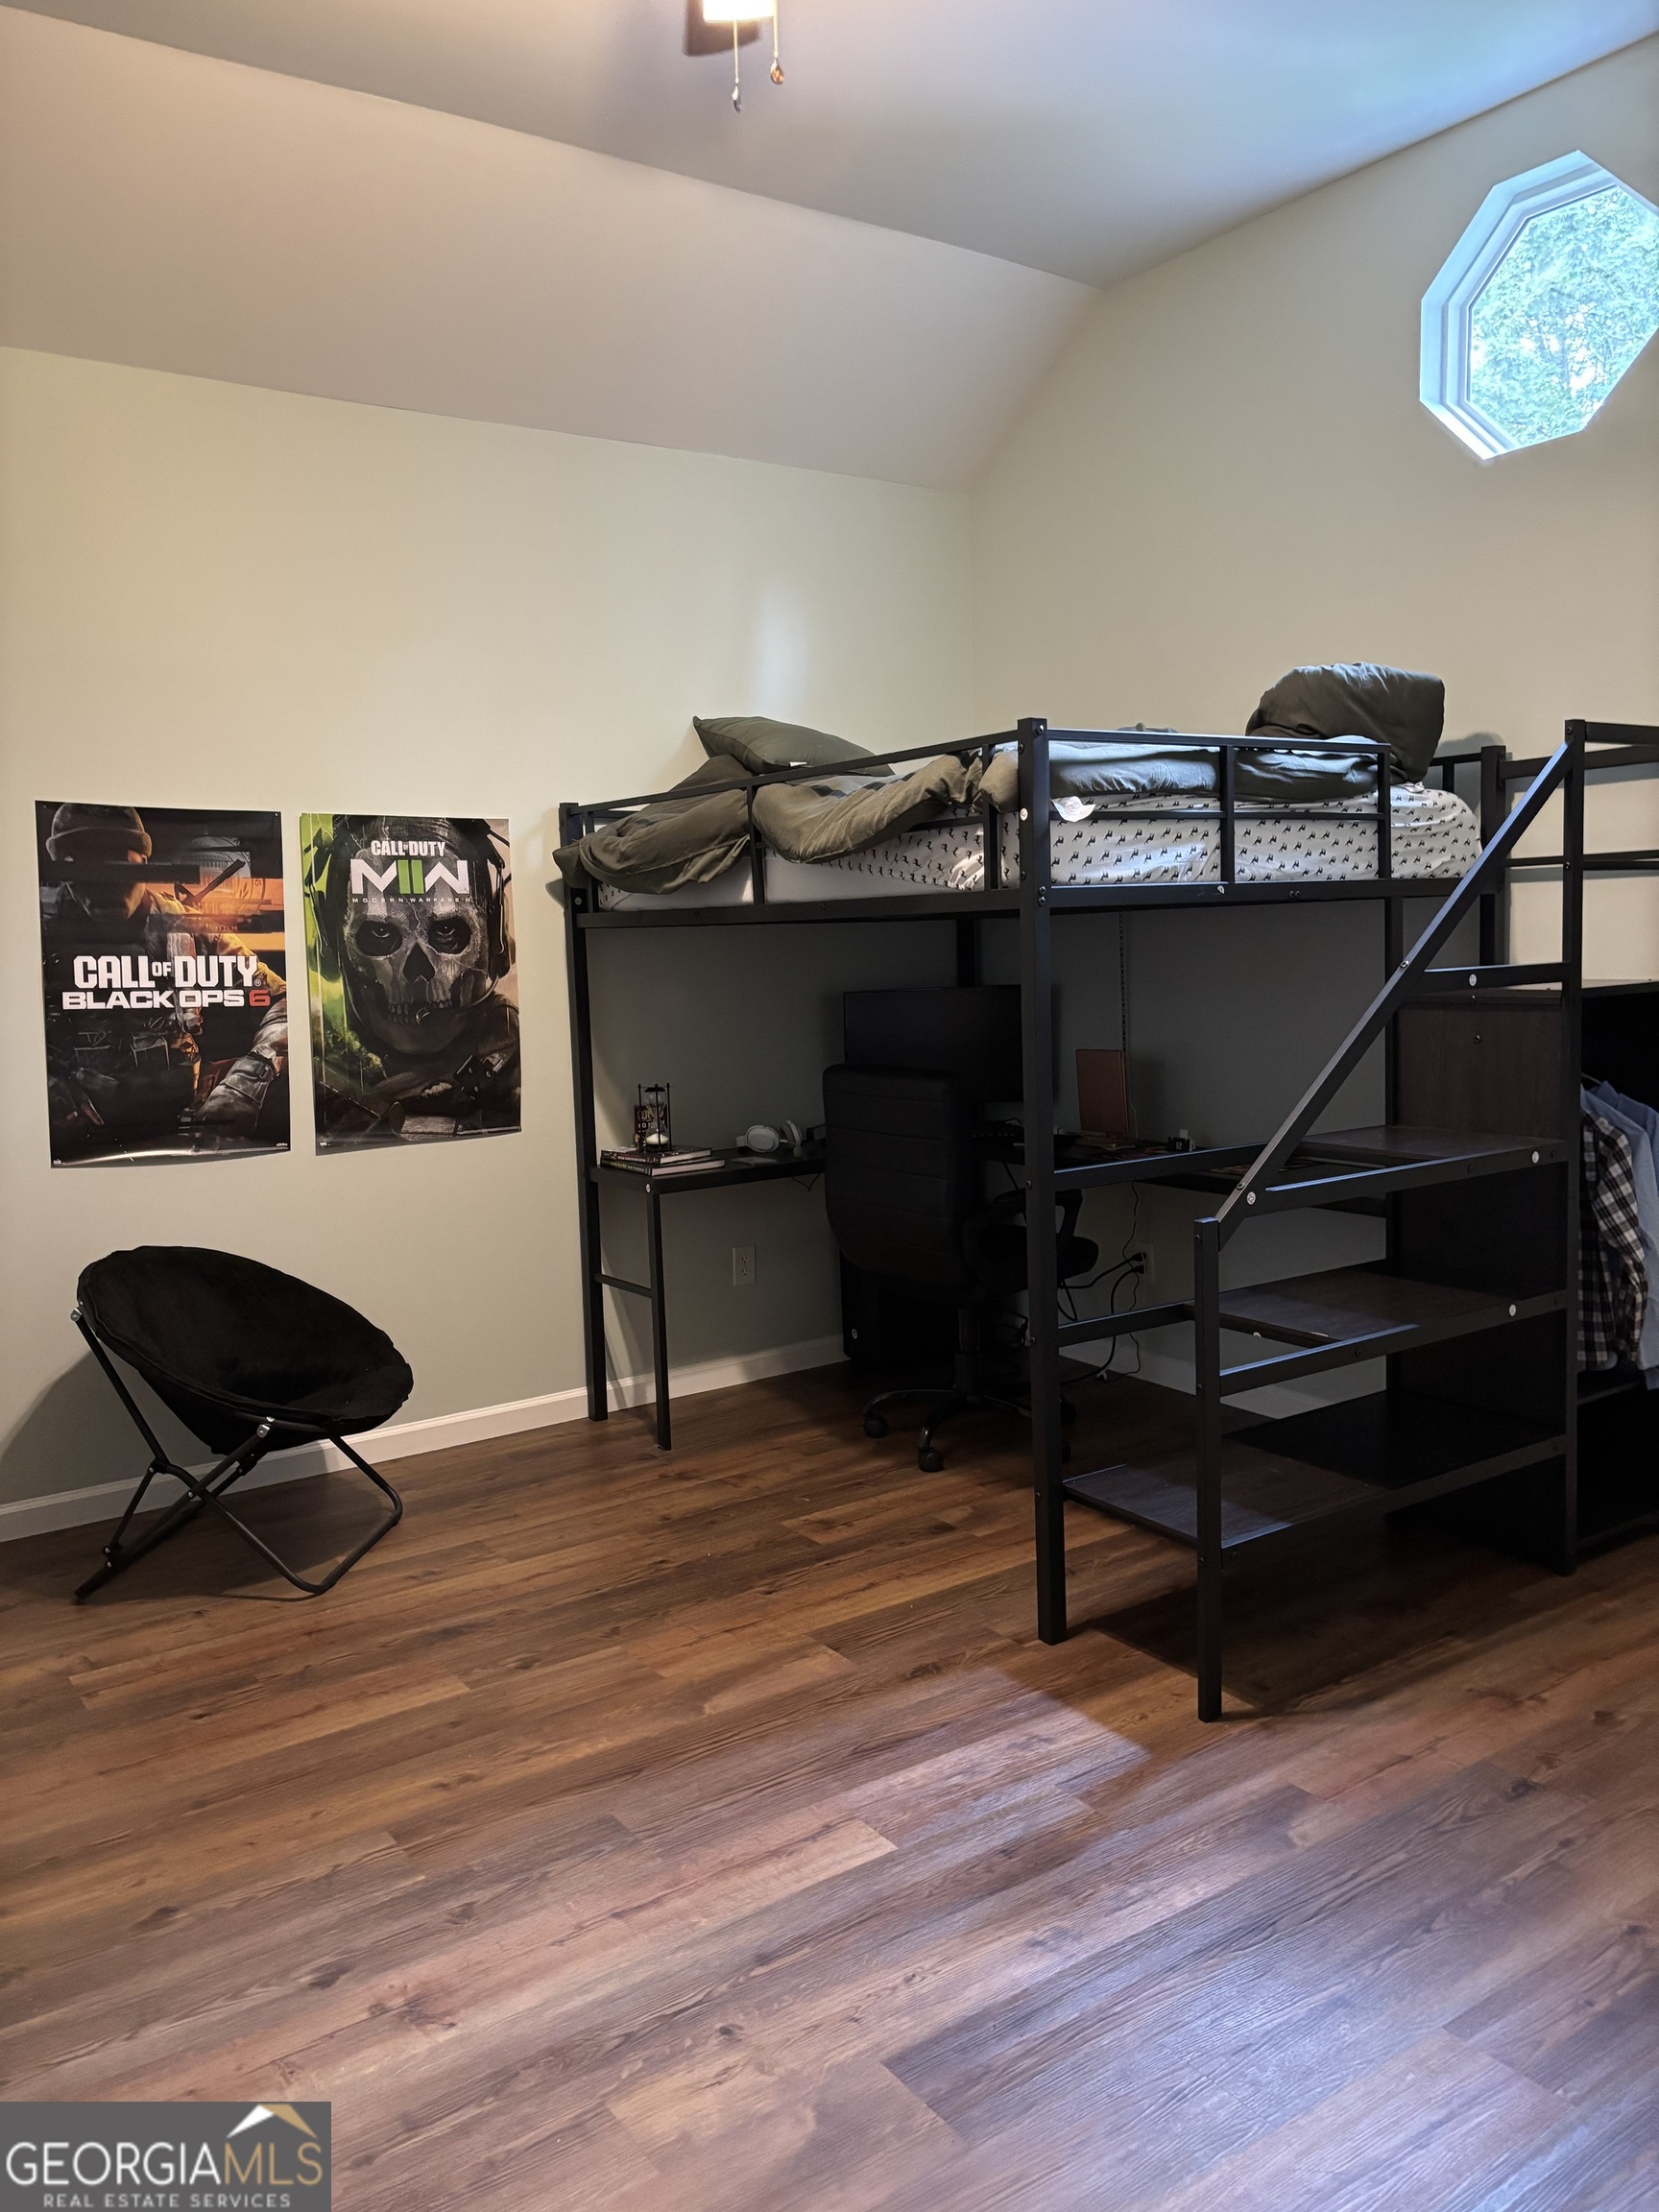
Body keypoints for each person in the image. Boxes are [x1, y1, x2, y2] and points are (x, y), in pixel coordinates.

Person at [38, 803, 288, 1160]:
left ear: (142, 861)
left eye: (115, 865)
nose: (101, 888)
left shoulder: (188, 927)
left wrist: (247, 1082)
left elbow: (283, 1000)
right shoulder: (39, 931)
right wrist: (46, 1090)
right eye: (83, 868)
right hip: (77, 1127)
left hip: (188, 1116)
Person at [305, 815, 518, 1143]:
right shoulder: (296, 1059)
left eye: (447, 930)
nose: (419, 973)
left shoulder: (519, 1058)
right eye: (379, 932)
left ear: (495, 938)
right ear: (329, 944)